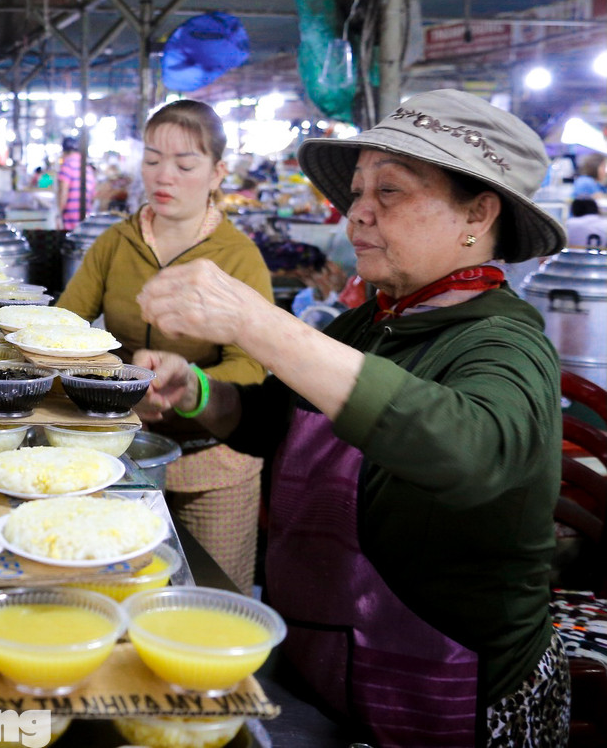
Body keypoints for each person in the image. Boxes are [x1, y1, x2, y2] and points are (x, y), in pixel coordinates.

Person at [136, 89, 570, 747]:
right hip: (322, 665)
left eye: (389, 191)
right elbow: (277, 421)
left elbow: (471, 451)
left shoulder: (506, 344)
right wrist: (196, 391)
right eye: (359, 191)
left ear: (477, 213)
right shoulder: (371, 321)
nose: (357, 213)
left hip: (453, 697)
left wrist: (258, 323)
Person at [56, 99, 272, 592]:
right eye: (152, 160)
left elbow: (251, 366)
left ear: (217, 173)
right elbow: (65, 329)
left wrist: (188, 385)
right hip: (123, 452)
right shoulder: (115, 243)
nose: (163, 176)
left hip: (214, 459)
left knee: (212, 600)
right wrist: (115, 383)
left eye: (185, 164)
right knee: (119, 589)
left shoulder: (238, 258)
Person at [56, 135, 95, 231]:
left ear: (64, 151)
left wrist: (58, 215)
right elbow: (93, 196)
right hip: (85, 218)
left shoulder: (67, 165)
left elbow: (63, 191)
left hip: (70, 219)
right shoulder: (87, 167)